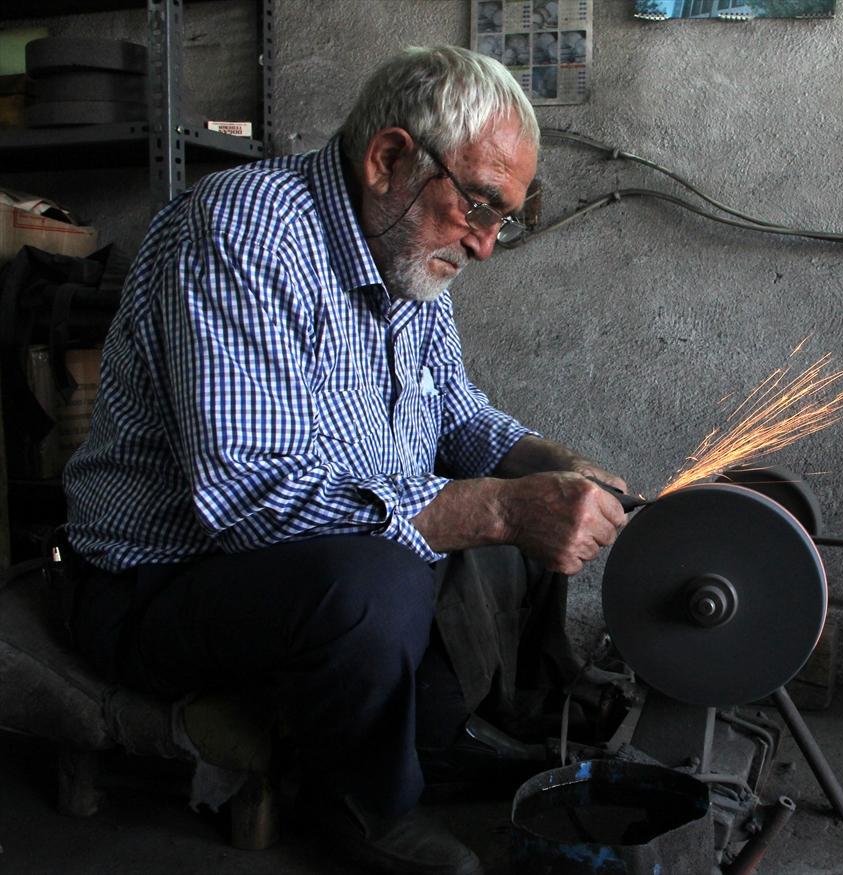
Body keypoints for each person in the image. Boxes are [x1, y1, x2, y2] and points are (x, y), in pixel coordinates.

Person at [61, 45, 628, 875]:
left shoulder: (407, 259)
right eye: (477, 205)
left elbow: (460, 414)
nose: (485, 246)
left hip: (283, 561)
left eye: (505, 216)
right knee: (375, 579)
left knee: (511, 505)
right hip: (157, 579)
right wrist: (500, 508)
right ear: (389, 158)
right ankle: (362, 803)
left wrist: (551, 465)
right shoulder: (241, 232)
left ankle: (458, 731)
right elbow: (246, 494)